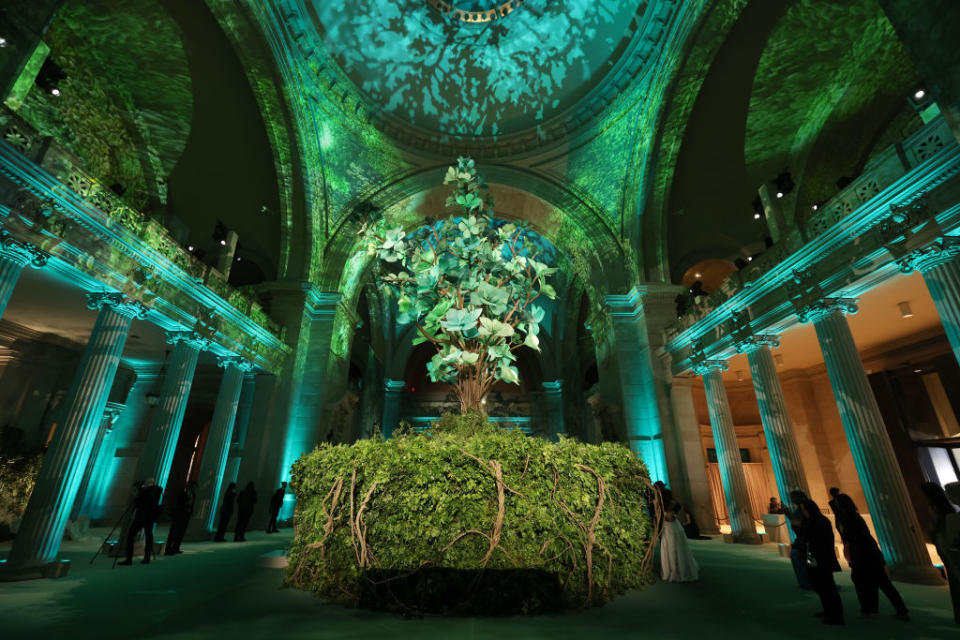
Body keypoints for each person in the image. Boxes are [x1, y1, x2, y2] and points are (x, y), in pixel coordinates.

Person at [833, 493, 909, 620]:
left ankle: (869, 609)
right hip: (869, 553)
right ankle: (896, 610)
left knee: (865, 581)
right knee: (880, 582)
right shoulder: (854, 516)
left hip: (863, 554)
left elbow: (849, 535)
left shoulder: (849, 518)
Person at [921, 482, 960, 624]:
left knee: (955, 576)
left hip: (946, 543)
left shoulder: (944, 512)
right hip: (944, 543)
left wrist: (931, 532)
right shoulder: (945, 509)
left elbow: (940, 526)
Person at [801, 498, 843, 625]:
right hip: (815, 558)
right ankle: (828, 610)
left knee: (827, 587)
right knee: (819, 586)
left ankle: (836, 615)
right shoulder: (812, 521)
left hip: (822, 558)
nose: (803, 512)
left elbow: (822, 541)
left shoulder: (820, 522)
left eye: (804, 509)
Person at [656, 484, 699, 582]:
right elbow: (678, 506)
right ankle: (678, 570)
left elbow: (663, 513)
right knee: (677, 547)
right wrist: (674, 514)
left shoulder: (661, 502)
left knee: (670, 548)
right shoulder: (670, 502)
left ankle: (672, 571)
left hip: (668, 526)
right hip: (674, 525)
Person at [118, 478, 163, 565]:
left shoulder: (144, 492)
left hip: (141, 517)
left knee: (130, 535)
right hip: (150, 517)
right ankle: (147, 557)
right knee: (149, 536)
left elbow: (137, 503)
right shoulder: (157, 491)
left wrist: (137, 494)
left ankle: (128, 558)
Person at [786, 489, 812, 590]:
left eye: (793, 498)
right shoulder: (800, 509)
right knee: (798, 557)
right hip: (802, 540)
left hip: (806, 541)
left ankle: (808, 582)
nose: (792, 500)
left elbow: (802, 524)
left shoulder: (805, 508)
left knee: (801, 558)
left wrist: (789, 515)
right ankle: (806, 581)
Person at [943, 482, 960, 624]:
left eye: (948, 492)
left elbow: (952, 542)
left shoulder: (952, 519)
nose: (947, 496)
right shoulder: (951, 517)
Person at [165, 480, 197, 555]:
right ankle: (169, 548)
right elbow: (179, 503)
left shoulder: (193, 494)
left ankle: (176, 547)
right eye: (194, 487)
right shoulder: (183, 493)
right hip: (179, 515)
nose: (194, 488)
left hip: (186, 515)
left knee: (181, 532)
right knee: (174, 532)